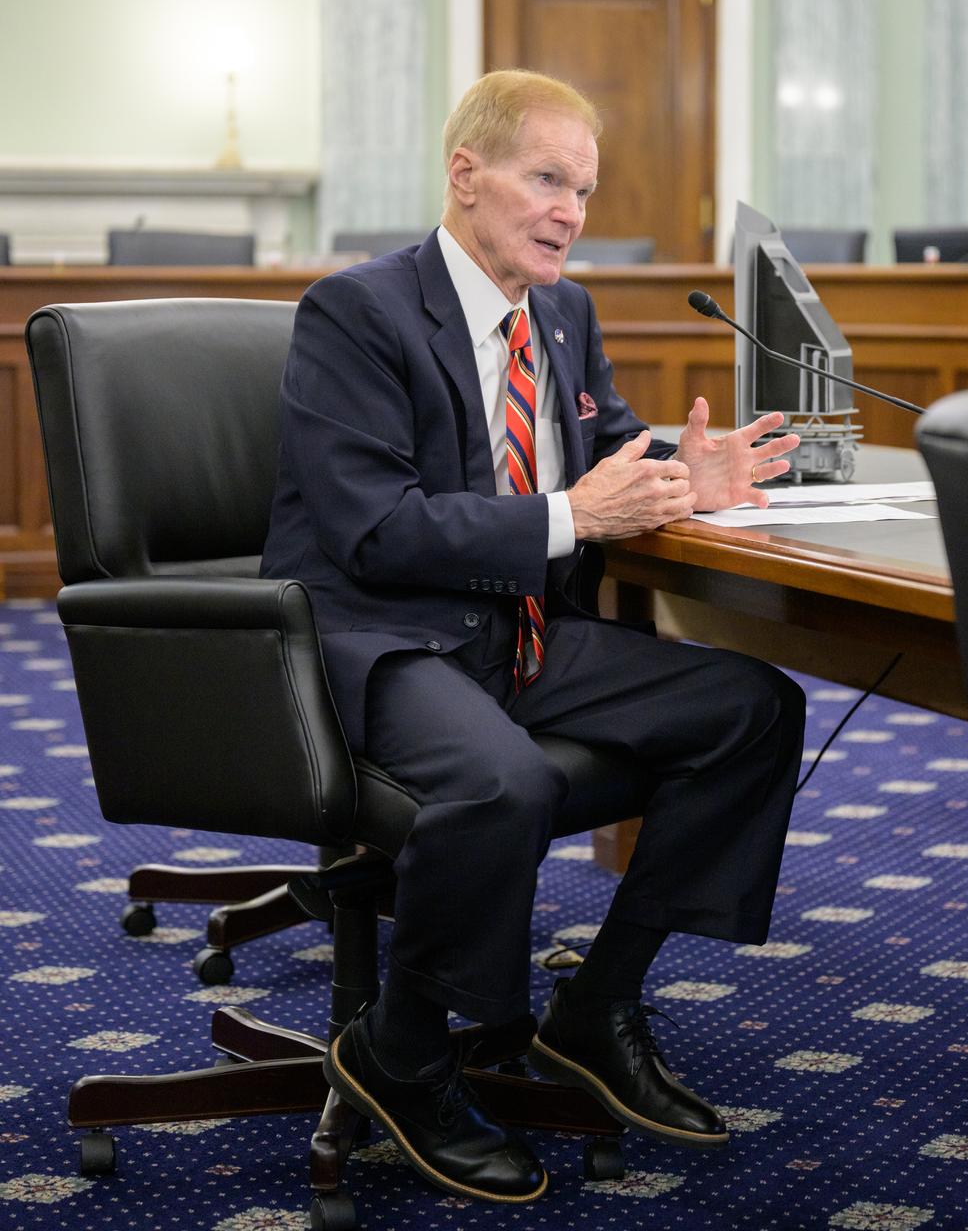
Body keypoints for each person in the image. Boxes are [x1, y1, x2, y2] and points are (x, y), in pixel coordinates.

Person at [261, 69, 805, 1204]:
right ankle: (398, 1048)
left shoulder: (561, 310)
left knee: (751, 707)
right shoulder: (355, 313)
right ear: (465, 176)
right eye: (546, 178)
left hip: (514, 631)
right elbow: (373, 529)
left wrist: (675, 471)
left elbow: (597, 447)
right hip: (386, 636)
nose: (570, 210)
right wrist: (574, 515)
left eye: (585, 189)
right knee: (501, 783)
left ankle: (594, 1002)